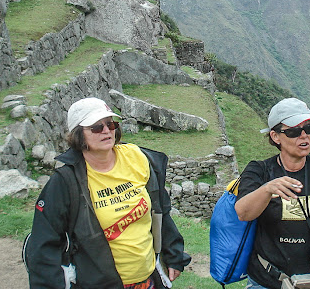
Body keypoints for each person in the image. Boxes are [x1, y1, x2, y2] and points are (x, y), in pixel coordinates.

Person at [26, 97, 191, 289]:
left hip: (147, 281)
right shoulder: (65, 182)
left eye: (110, 124)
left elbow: (159, 208)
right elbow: (44, 246)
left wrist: (173, 253)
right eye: (96, 127)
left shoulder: (137, 158)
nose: (106, 130)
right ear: (79, 134)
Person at [235, 98, 310, 289]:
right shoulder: (258, 171)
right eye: (294, 131)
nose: (304, 136)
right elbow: (243, 212)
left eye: (309, 128)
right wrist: (268, 189)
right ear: (276, 136)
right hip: (269, 281)